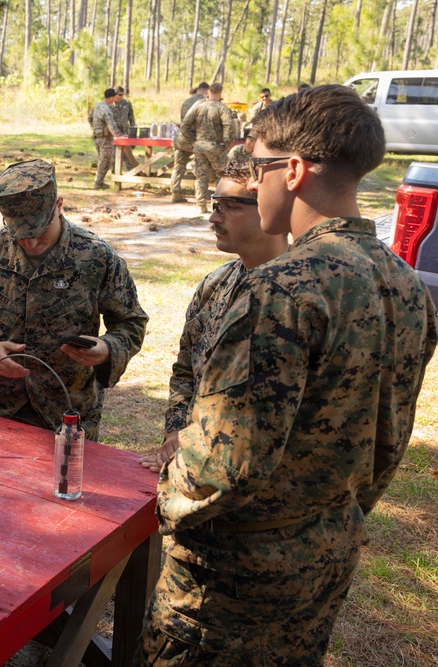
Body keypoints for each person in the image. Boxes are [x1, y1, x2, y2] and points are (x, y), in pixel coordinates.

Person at [135, 85, 438, 665]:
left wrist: (166, 504)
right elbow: (388, 435)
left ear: (293, 170)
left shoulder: (281, 289)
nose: (253, 182)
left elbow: (222, 467)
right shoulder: (404, 283)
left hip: (231, 577)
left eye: (258, 167)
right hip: (329, 550)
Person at [0, 159, 148, 440]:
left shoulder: (96, 257)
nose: (31, 243)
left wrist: (108, 349)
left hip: (68, 414)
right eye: (20, 235)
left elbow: (131, 323)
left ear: (59, 204)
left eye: (39, 231)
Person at [139, 162, 288, 473]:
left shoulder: (296, 295)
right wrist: (176, 432)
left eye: (229, 207)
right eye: (214, 205)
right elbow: (184, 372)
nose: (213, 218)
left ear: (270, 206)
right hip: (197, 467)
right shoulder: (214, 284)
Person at [181, 82, 235, 213]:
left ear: (208, 92)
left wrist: (192, 141)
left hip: (199, 146)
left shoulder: (199, 106)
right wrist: (227, 144)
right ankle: (219, 205)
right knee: (222, 175)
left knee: (201, 176)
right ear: (220, 93)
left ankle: (201, 206)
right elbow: (230, 126)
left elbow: (184, 125)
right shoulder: (222, 108)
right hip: (215, 147)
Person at [171, 82, 209, 203]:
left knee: (178, 166)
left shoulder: (186, 101)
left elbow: (183, 121)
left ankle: (175, 192)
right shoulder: (205, 103)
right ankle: (200, 196)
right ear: (207, 91)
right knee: (200, 167)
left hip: (182, 138)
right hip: (196, 139)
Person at [89, 88, 121, 189]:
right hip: (105, 139)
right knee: (106, 161)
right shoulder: (106, 109)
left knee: (102, 160)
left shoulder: (98, 106)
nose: (116, 97)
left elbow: (89, 118)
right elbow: (111, 124)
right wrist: (118, 135)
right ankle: (98, 183)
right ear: (111, 97)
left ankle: (99, 182)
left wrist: (95, 128)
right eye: (115, 96)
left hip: (97, 137)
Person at [111, 86, 138, 171]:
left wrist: (133, 129)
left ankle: (132, 172)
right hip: (114, 133)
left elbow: (131, 117)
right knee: (115, 155)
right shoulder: (109, 104)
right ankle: (115, 172)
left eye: (122, 94)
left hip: (125, 132)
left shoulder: (127, 103)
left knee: (128, 153)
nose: (121, 96)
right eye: (119, 94)